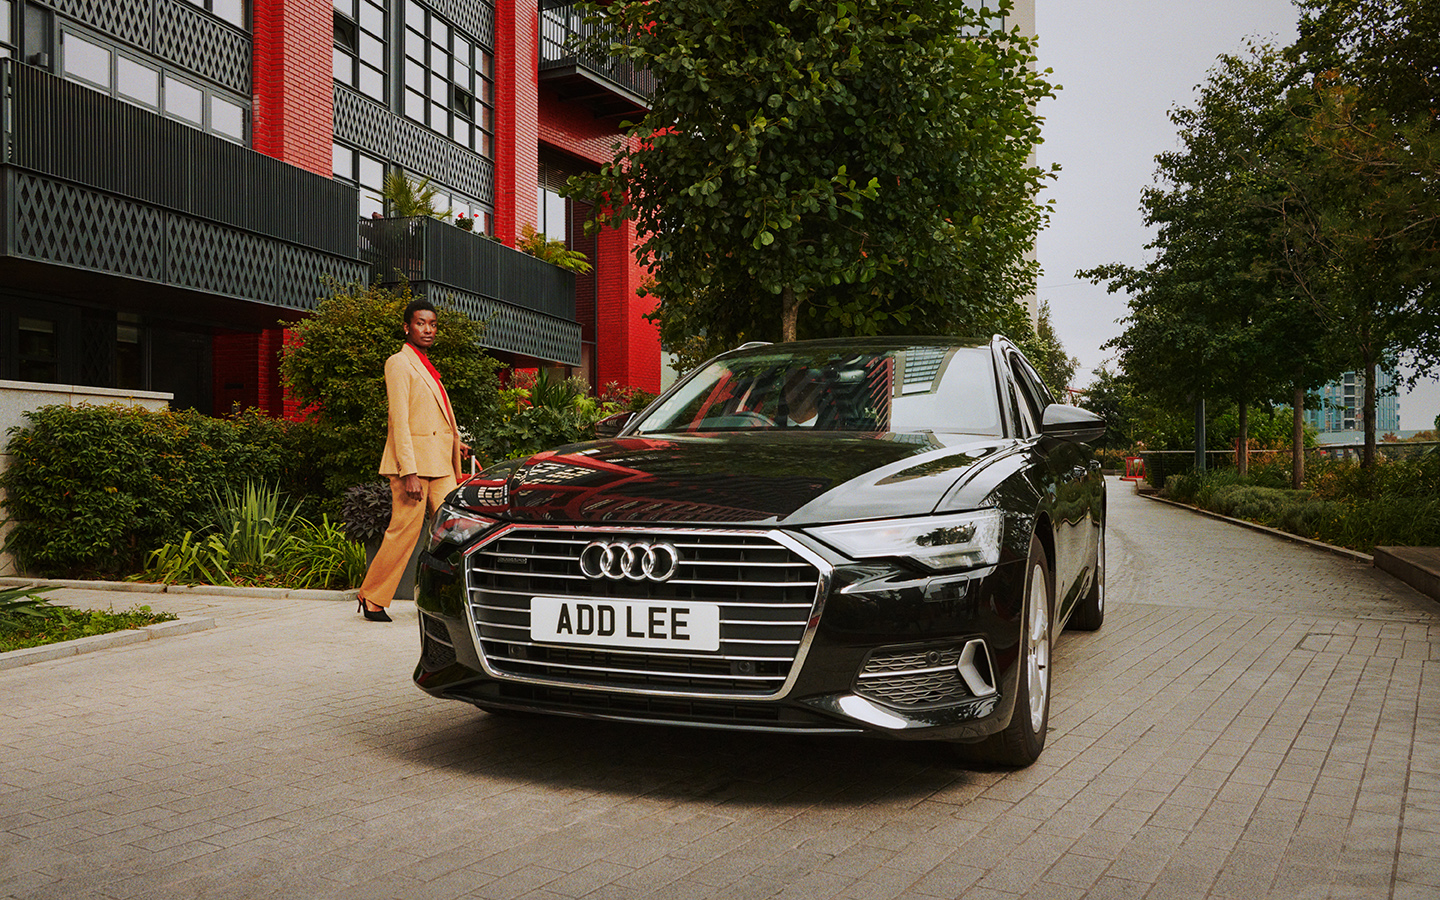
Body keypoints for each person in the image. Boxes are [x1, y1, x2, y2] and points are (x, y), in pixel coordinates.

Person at [356, 299, 467, 622]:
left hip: (440, 464)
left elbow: (431, 417)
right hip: (415, 467)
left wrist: (454, 445)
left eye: (432, 324)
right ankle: (372, 596)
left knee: (455, 530)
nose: (428, 329)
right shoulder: (399, 363)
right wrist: (409, 472)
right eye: (421, 323)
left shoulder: (426, 364)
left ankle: (451, 597)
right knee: (403, 532)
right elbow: (400, 420)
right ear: (407, 327)